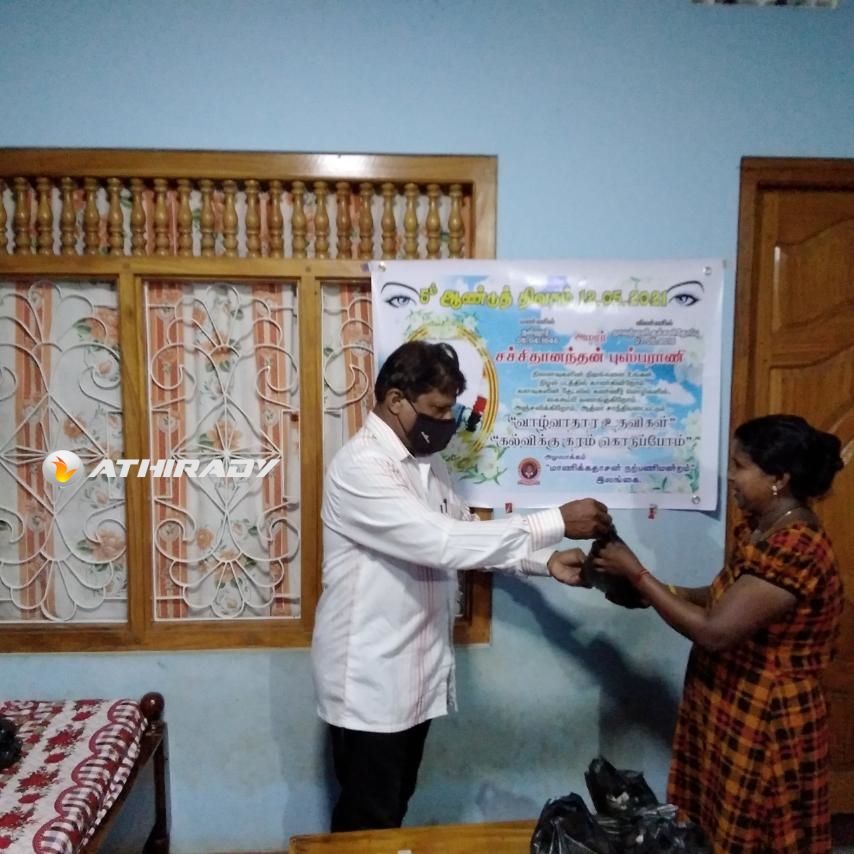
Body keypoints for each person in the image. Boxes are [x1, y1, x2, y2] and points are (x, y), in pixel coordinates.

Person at [311, 340, 613, 832]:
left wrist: (545, 562)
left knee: (393, 809)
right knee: (366, 823)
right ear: (395, 400)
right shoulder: (361, 467)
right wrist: (555, 521)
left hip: (415, 673)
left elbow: (464, 529)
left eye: (450, 409)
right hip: (371, 681)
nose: (447, 421)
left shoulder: (428, 464)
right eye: (436, 409)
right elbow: (443, 542)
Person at [592, 414, 844, 853]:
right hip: (732, 701)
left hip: (769, 718)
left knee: (762, 830)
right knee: (717, 827)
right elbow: (723, 596)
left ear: (779, 479)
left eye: (740, 466)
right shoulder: (763, 528)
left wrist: (638, 575)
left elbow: (715, 632)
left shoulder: (797, 547)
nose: (730, 476)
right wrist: (653, 592)